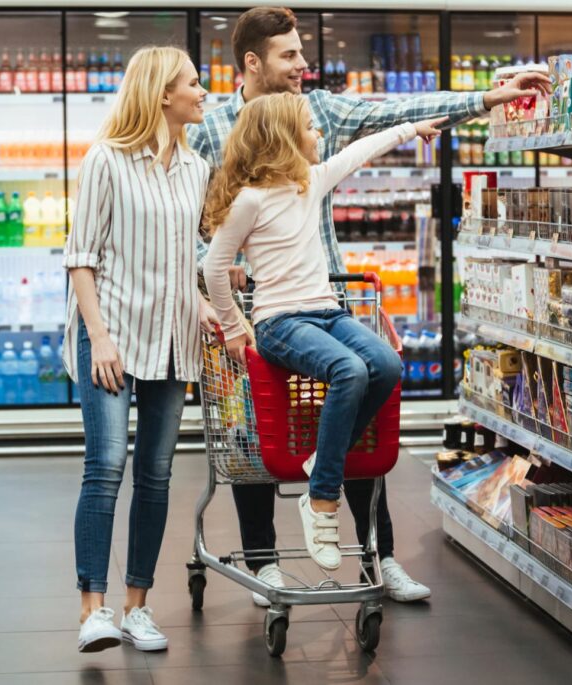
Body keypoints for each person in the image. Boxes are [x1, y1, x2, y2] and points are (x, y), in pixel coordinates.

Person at [189, 6, 550, 602]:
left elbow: (394, 114)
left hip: (328, 292)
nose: (303, 66)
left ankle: (378, 557)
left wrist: (487, 99)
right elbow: (196, 217)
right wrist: (218, 290)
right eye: (289, 57)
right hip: (261, 308)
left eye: (302, 54)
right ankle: (264, 563)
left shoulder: (321, 111)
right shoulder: (213, 127)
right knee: (252, 438)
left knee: (359, 413)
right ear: (252, 63)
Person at [203, 93, 443, 570]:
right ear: (283, 139)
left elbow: (361, 151)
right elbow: (214, 268)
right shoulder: (249, 200)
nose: (319, 136)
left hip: (328, 312)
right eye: (310, 128)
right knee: (350, 371)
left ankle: (320, 460)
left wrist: (411, 130)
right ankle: (322, 498)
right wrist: (234, 325)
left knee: (388, 364)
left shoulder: (309, 183)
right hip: (279, 321)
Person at [62, 45, 218, 654]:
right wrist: (98, 336)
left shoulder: (197, 167)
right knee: (105, 466)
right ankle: (93, 610)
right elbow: (81, 256)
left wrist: (201, 300)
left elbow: (187, 255)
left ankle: (138, 607)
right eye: (193, 83)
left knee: (155, 475)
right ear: (161, 94)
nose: (203, 93)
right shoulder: (106, 159)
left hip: (174, 338)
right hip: (112, 334)